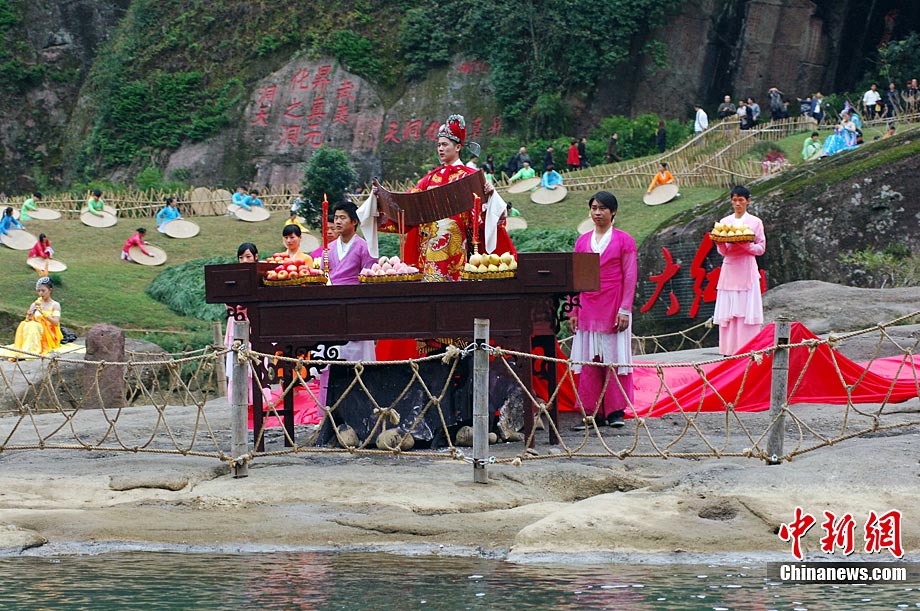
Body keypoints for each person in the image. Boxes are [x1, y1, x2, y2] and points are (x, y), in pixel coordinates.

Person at [359, 113, 515, 283]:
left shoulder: (470, 177)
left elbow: (488, 216)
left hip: (460, 247)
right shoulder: (430, 179)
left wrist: (490, 197)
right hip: (428, 247)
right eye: (439, 145)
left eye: (445, 144)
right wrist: (381, 200)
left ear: (458, 147)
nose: (440, 149)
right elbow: (408, 206)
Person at [569, 191, 637, 429]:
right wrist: (572, 311)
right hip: (587, 305)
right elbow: (575, 277)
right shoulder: (582, 242)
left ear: (613, 212)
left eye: (602, 208)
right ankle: (591, 411)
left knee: (614, 357)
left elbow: (630, 276)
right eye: (594, 208)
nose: (597, 213)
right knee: (589, 358)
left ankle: (615, 411)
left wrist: (625, 309)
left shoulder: (624, 240)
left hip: (613, 304)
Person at [713, 185, 765, 356]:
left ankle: (748, 348)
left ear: (747, 201)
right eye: (734, 200)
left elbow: (760, 248)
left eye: (741, 200)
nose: (737, 204)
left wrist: (745, 245)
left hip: (746, 268)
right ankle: (729, 349)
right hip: (730, 269)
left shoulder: (755, 222)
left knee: (745, 311)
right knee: (729, 312)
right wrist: (720, 244)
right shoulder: (724, 222)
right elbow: (724, 251)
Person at [7, 276, 63, 358]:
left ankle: (31, 351)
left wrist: (43, 314)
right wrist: (29, 316)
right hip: (34, 330)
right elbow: (28, 320)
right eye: (39, 291)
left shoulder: (55, 305)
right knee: (25, 324)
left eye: (43, 291)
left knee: (33, 326)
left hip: (48, 333)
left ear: (50, 290)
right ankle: (26, 350)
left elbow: (56, 322)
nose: (41, 293)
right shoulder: (34, 304)